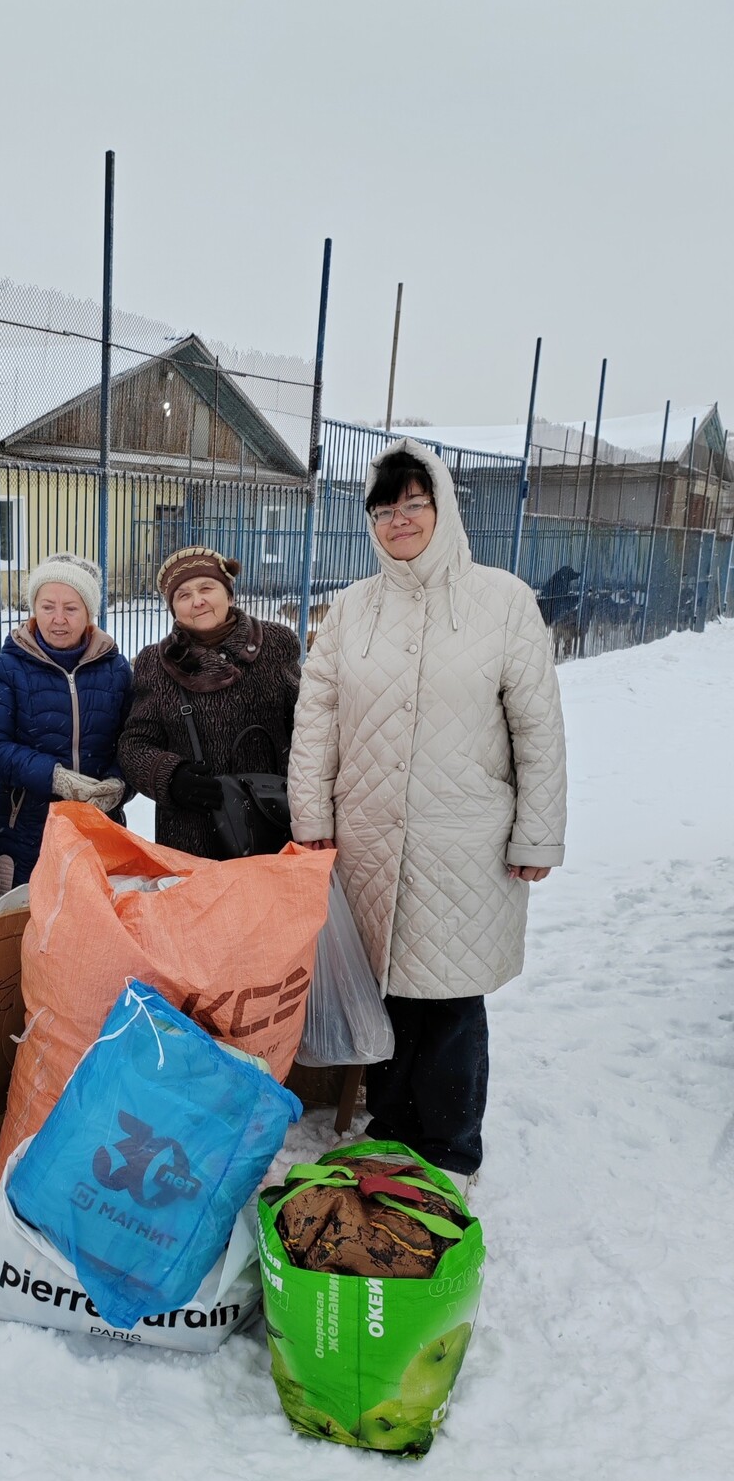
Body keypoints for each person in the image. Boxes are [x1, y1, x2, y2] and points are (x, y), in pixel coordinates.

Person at [287, 438, 567, 1192]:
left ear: (441, 506)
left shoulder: (501, 601)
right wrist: (311, 818)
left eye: (414, 503)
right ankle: (391, 1129)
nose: (399, 520)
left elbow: (537, 728)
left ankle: (448, 1147)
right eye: (384, 509)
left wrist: (538, 833)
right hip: (369, 836)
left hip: (465, 838)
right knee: (385, 991)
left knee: (449, 997)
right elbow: (317, 722)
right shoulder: (352, 609)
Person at [118, 546, 301, 859]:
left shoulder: (276, 644)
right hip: (191, 833)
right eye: (183, 595)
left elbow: (308, 728)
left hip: (272, 821)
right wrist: (171, 777)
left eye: (206, 588)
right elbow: (134, 745)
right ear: (173, 609)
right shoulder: (156, 663)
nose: (197, 601)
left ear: (229, 594)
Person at [0, 553, 132, 898]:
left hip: (99, 827)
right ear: (33, 609)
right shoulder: (7, 668)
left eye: (71, 608)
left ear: (89, 613)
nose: (58, 619)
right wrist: (54, 776)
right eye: (47, 607)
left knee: (94, 917)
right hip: (27, 829)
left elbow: (134, 741)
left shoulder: (116, 669)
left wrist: (120, 783)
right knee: (27, 920)